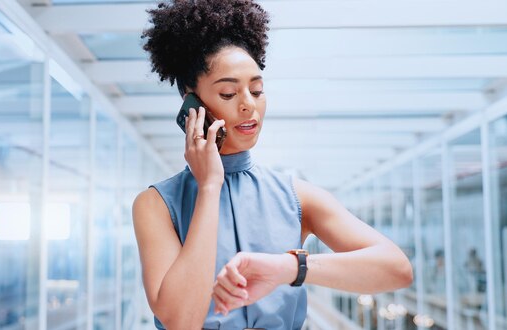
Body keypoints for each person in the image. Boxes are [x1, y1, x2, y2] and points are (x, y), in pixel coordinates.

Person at [132, 1, 413, 329]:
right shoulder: (156, 205)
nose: (248, 105)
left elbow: (397, 269)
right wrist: (209, 187)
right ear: (192, 104)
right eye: (227, 93)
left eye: (256, 90)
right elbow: (181, 320)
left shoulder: (297, 197)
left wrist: (289, 267)